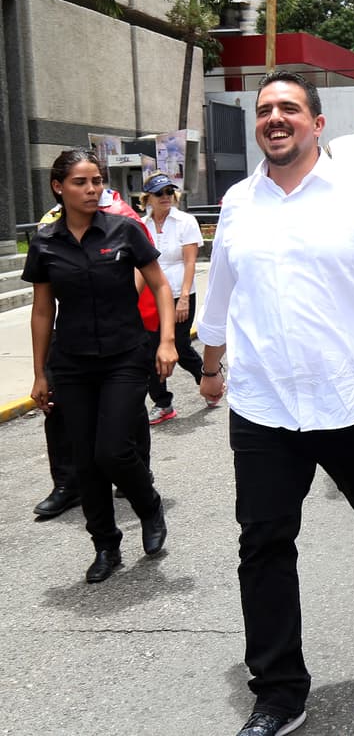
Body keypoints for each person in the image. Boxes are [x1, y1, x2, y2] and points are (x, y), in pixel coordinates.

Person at [198, 71, 354, 736]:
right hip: (264, 406)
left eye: (288, 108)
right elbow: (221, 293)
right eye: (264, 109)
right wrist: (209, 363)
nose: (274, 118)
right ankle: (279, 691)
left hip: (353, 400)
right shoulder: (236, 204)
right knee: (264, 542)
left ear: (315, 123)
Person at [23, 149, 177, 583]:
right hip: (71, 364)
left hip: (125, 357)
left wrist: (165, 341)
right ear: (58, 187)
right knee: (85, 462)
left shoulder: (125, 229)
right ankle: (106, 545)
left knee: (111, 450)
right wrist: (39, 373)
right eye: (80, 182)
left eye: (97, 181)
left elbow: (160, 286)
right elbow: (41, 311)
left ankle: (148, 505)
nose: (92, 190)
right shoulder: (45, 241)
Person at [140, 173, 205, 424]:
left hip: (180, 292)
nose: (166, 197)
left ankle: (208, 377)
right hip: (150, 297)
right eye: (160, 193)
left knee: (179, 346)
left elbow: (190, 262)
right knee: (150, 351)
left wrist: (185, 298)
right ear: (148, 199)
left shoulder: (185, 221)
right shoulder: (140, 225)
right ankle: (163, 402)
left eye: (169, 192)